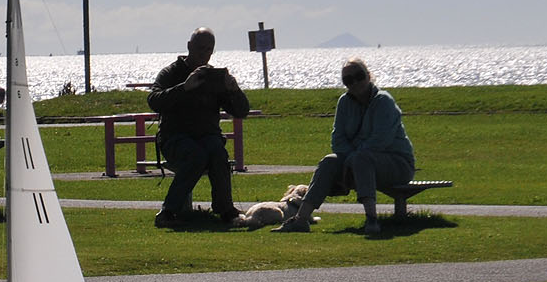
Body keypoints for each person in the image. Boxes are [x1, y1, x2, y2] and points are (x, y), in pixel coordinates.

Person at [277, 57, 414, 235]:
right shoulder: (344, 102)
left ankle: (372, 219)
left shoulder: (384, 102)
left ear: (368, 75)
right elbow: (337, 140)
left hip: (397, 164)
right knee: (329, 161)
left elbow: (381, 141)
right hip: (358, 161)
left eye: (359, 76)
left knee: (361, 158)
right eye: (348, 80)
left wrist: (351, 160)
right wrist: (350, 160)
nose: (355, 82)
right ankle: (301, 218)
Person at [147, 26, 250, 228]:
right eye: (200, 48)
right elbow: (154, 100)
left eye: (209, 50)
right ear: (189, 47)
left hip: (207, 138)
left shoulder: (214, 78)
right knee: (195, 156)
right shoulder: (171, 73)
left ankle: (225, 210)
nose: (204, 54)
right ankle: (168, 211)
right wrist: (184, 87)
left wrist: (234, 91)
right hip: (175, 138)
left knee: (217, 153)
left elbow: (241, 111)